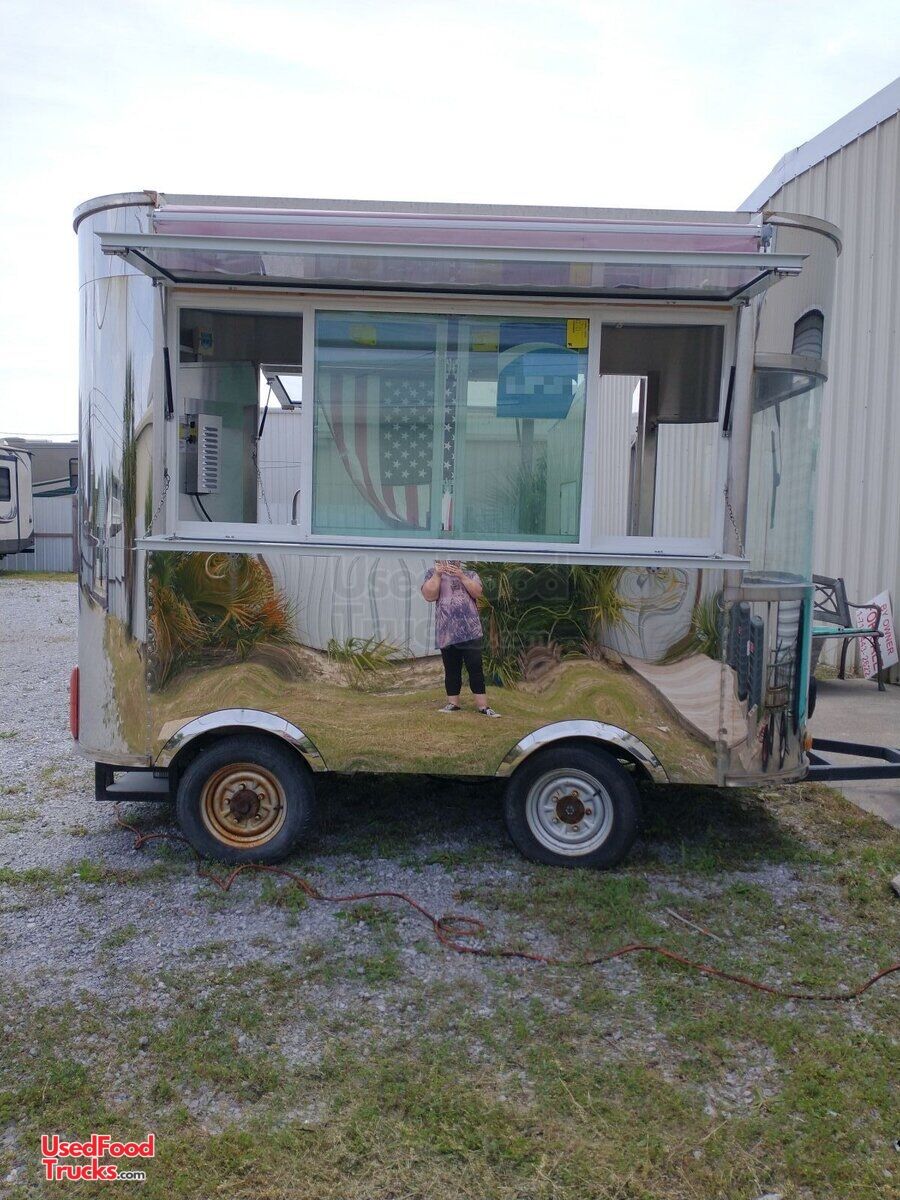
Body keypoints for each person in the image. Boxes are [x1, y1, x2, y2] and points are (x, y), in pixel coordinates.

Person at [421, 561, 501, 716]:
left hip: (471, 630)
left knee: (475, 667)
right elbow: (429, 596)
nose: (451, 562)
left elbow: (477, 593)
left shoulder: (470, 574)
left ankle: (483, 706)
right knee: (451, 668)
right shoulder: (432, 573)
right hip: (446, 631)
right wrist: (437, 574)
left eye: (454, 559)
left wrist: (461, 576)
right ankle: (453, 704)